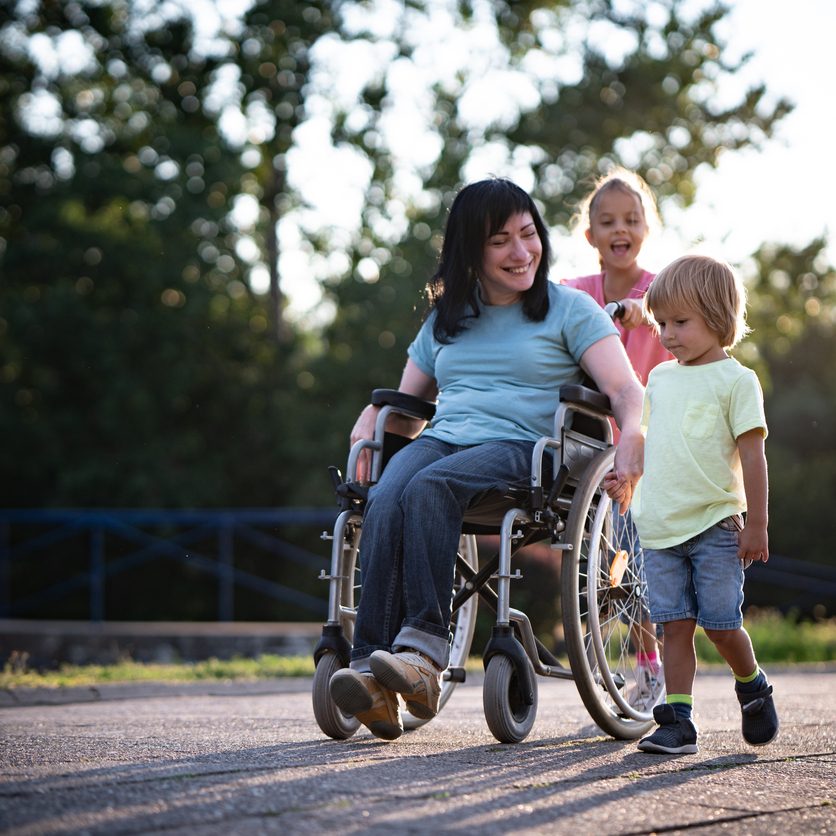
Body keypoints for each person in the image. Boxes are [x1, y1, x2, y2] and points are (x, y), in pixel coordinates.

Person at [328, 177, 645, 741]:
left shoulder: (570, 310)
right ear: (470, 250)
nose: (521, 253)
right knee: (387, 494)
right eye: (501, 241)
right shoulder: (448, 319)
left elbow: (623, 389)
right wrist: (372, 418)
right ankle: (369, 669)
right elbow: (407, 404)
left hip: (526, 447)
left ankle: (424, 656)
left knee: (431, 486)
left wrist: (634, 433)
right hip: (445, 436)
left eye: (528, 235)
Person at [623, 254, 778, 754]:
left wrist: (757, 523)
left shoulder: (737, 381)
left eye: (680, 322)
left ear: (717, 317)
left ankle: (752, 686)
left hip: (716, 525)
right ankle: (680, 722)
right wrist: (627, 473)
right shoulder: (661, 379)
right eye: (661, 322)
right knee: (675, 626)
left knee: (721, 625)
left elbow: (753, 457)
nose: (666, 334)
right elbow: (652, 440)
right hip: (661, 527)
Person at [562, 169, 672, 709]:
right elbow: (550, 306)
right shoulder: (579, 292)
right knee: (604, 559)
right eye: (607, 222)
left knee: (642, 559)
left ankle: (651, 667)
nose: (619, 229)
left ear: (646, 228)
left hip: (647, 443)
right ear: (590, 236)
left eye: (630, 219)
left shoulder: (660, 289)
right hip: (590, 447)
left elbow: (678, 314)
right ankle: (603, 650)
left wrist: (642, 313)